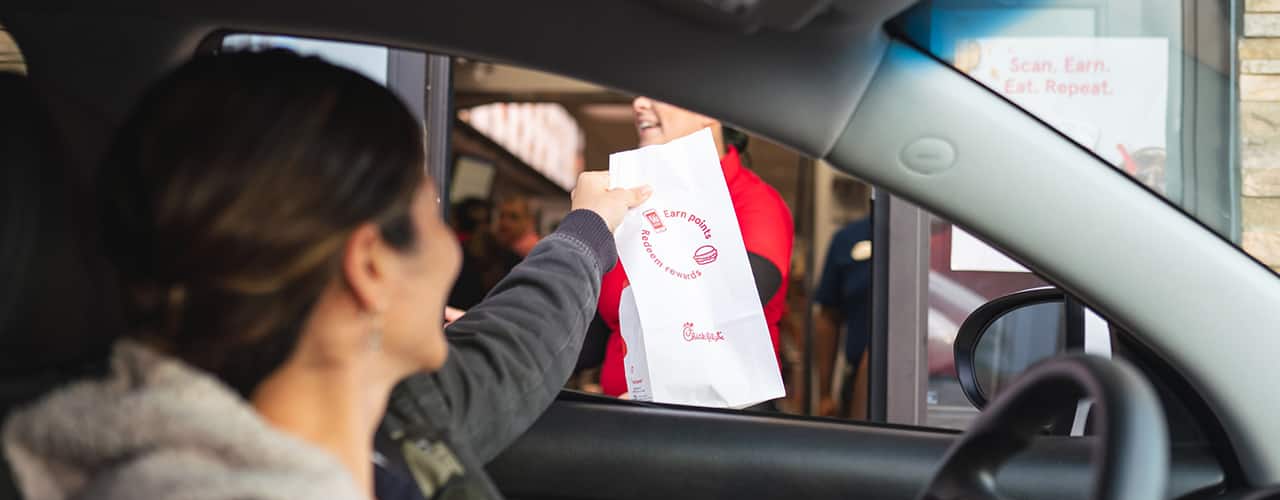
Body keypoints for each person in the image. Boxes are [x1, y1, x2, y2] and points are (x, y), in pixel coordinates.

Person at [0, 51, 649, 500]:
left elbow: (510, 351)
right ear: (370, 268)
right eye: (427, 208)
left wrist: (588, 228)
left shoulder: (373, 413)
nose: (451, 250)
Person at [595, 96, 794, 398]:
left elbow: (731, 299)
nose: (638, 103)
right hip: (625, 419)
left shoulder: (754, 201)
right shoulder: (635, 206)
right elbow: (600, 326)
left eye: (655, 92)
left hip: (714, 429)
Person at [813, 216, 873, 417]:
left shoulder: (931, 236)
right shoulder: (847, 239)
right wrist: (824, 394)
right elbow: (828, 317)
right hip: (857, 380)